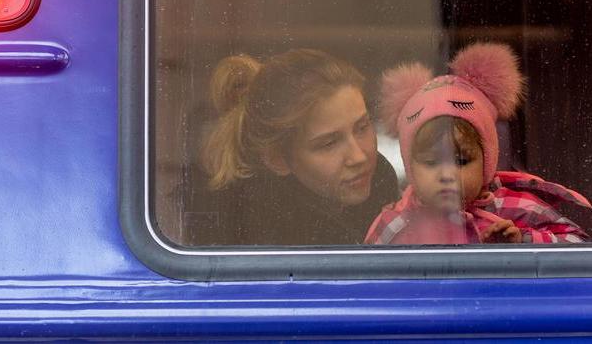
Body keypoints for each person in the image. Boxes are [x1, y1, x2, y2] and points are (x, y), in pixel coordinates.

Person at [364, 43, 590, 245]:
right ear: (410, 166)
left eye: (462, 161)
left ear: (487, 161)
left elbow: (578, 246)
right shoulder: (397, 225)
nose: (447, 174)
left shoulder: (515, 207)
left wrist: (523, 241)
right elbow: (366, 272)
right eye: (431, 162)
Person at [191, 48, 399, 246]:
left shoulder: (380, 179)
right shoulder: (254, 229)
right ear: (277, 160)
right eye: (329, 143)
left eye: (362, 127)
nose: (359, 157)